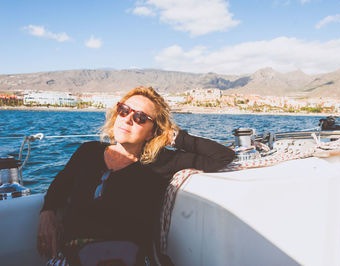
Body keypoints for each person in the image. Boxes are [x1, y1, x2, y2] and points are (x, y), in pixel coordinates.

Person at [37, 86, 235, 265]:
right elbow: (60, 185)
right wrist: (47, 213)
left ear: (151, 132)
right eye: (124, 110)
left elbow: (222, 157)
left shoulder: (161, 163)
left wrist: (175, 137)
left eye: (140, 117)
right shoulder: (87, 152)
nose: (128, 119)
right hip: (73, 257)